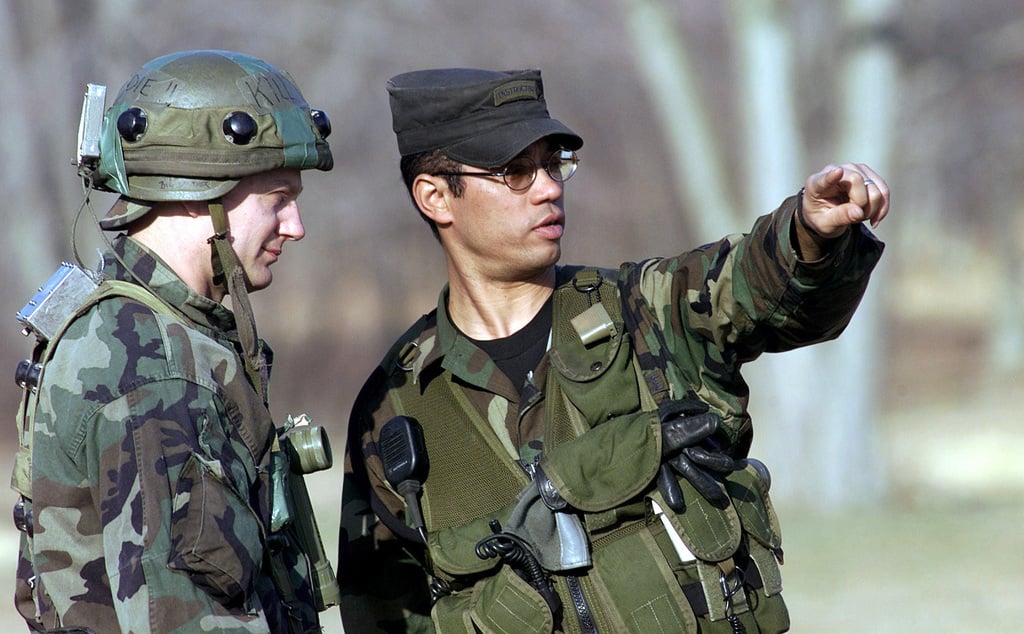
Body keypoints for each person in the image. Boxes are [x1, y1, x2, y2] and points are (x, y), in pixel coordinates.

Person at [339, 67, 889, 633]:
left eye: (554, 165)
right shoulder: (397, 411)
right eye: (516, 172)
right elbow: (383, 616)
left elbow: (750, 286)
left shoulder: (643, 311)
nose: (550, 187)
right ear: (435, 196)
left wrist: (809, 232)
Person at [12, 50, 337, 633]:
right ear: (198, 192)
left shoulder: (147, 333)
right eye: (278, 200)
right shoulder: (154, 365)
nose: (295, 227)